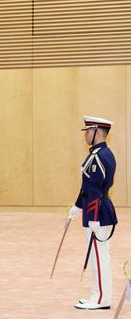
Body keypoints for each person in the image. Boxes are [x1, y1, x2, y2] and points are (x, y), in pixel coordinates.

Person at [69, 115, 118, 310]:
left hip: (98, 213)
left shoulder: (98, 157)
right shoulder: (100, 154)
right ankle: (97, 296)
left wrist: (93, 217)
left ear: (97, 132)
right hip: (97, 211)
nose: (86, 135)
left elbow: (95, 191)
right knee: (97, 258)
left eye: (88, 131)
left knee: (99, 258)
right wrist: (76, 207)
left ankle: (101, 300)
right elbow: (87, 188)